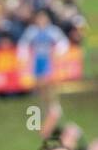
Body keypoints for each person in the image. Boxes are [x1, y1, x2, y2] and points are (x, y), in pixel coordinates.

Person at [17, 10, 70, 139]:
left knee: (48, 88)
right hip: (36, 65)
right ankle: (42, 117)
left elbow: (63, 43)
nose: (41, 21)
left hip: (48, 64)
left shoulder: (52, 31)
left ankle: (54, 111)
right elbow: (23, 45)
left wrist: (57, 53)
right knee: (39, 91)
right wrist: (24, 58)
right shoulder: (32, 31)